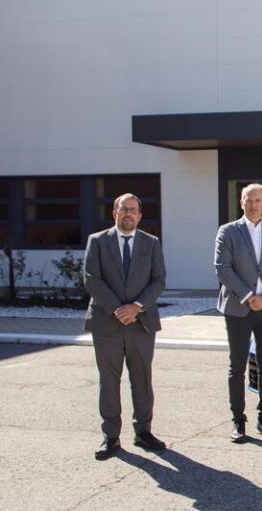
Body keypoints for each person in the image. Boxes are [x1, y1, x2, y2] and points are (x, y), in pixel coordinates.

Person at [84, 193, 167, 460]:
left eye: (134, 210)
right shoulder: (97, 242)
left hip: (141, 323)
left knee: (142, 379)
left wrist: (136, 307)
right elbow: (91, 279)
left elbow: (158, 281)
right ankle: (110, 436)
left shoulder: (151, 243)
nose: (129, 213)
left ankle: (143, 432)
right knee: (109, 381)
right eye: (124, 209)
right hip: (107, 322)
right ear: (115, 213)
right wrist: (118, 309)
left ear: (140, 216)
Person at [214, 183, 262, 442]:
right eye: (249, 200)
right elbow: (222, 268)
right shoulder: (227, 232)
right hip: (238, 308)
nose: (254, 204)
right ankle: (238, 421)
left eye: (258, 200)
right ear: (242, 203)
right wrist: (248, 297)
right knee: (237, 365)